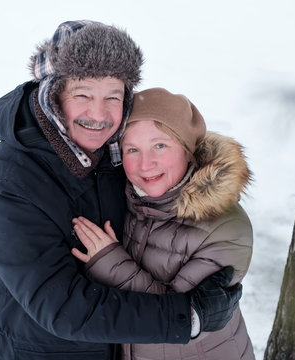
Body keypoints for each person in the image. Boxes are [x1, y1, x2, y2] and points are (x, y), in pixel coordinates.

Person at [0, 20, 242, 360]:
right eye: (82, 95)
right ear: (53, 94)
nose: (98, 115)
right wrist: (188, 318)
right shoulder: (8, 184)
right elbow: (61, 306)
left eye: (112, 96)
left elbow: (169, 159)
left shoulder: (114, 155)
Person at [72, 88, 255, 359]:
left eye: (160, 145)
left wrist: (109, 262)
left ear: (188, 150)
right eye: (132, 149)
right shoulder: (130, 199)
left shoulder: (225, 228)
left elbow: (176, 316)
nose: (146, 164)